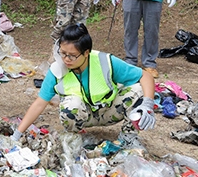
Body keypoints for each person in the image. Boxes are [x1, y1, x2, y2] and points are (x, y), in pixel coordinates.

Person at [12, 23, 156, 141]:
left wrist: (147, 104)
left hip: (109, 111)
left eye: (72, 56)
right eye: (63, 53)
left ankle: (128, 138)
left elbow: (145, 76)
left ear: (86, 52)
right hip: (82, 116)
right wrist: (17, 134)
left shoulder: (105, 61)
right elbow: (39, 103)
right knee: (70, 105)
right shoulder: (56, 70)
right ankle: (76, 138)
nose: (66, 59)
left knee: (138, 91)